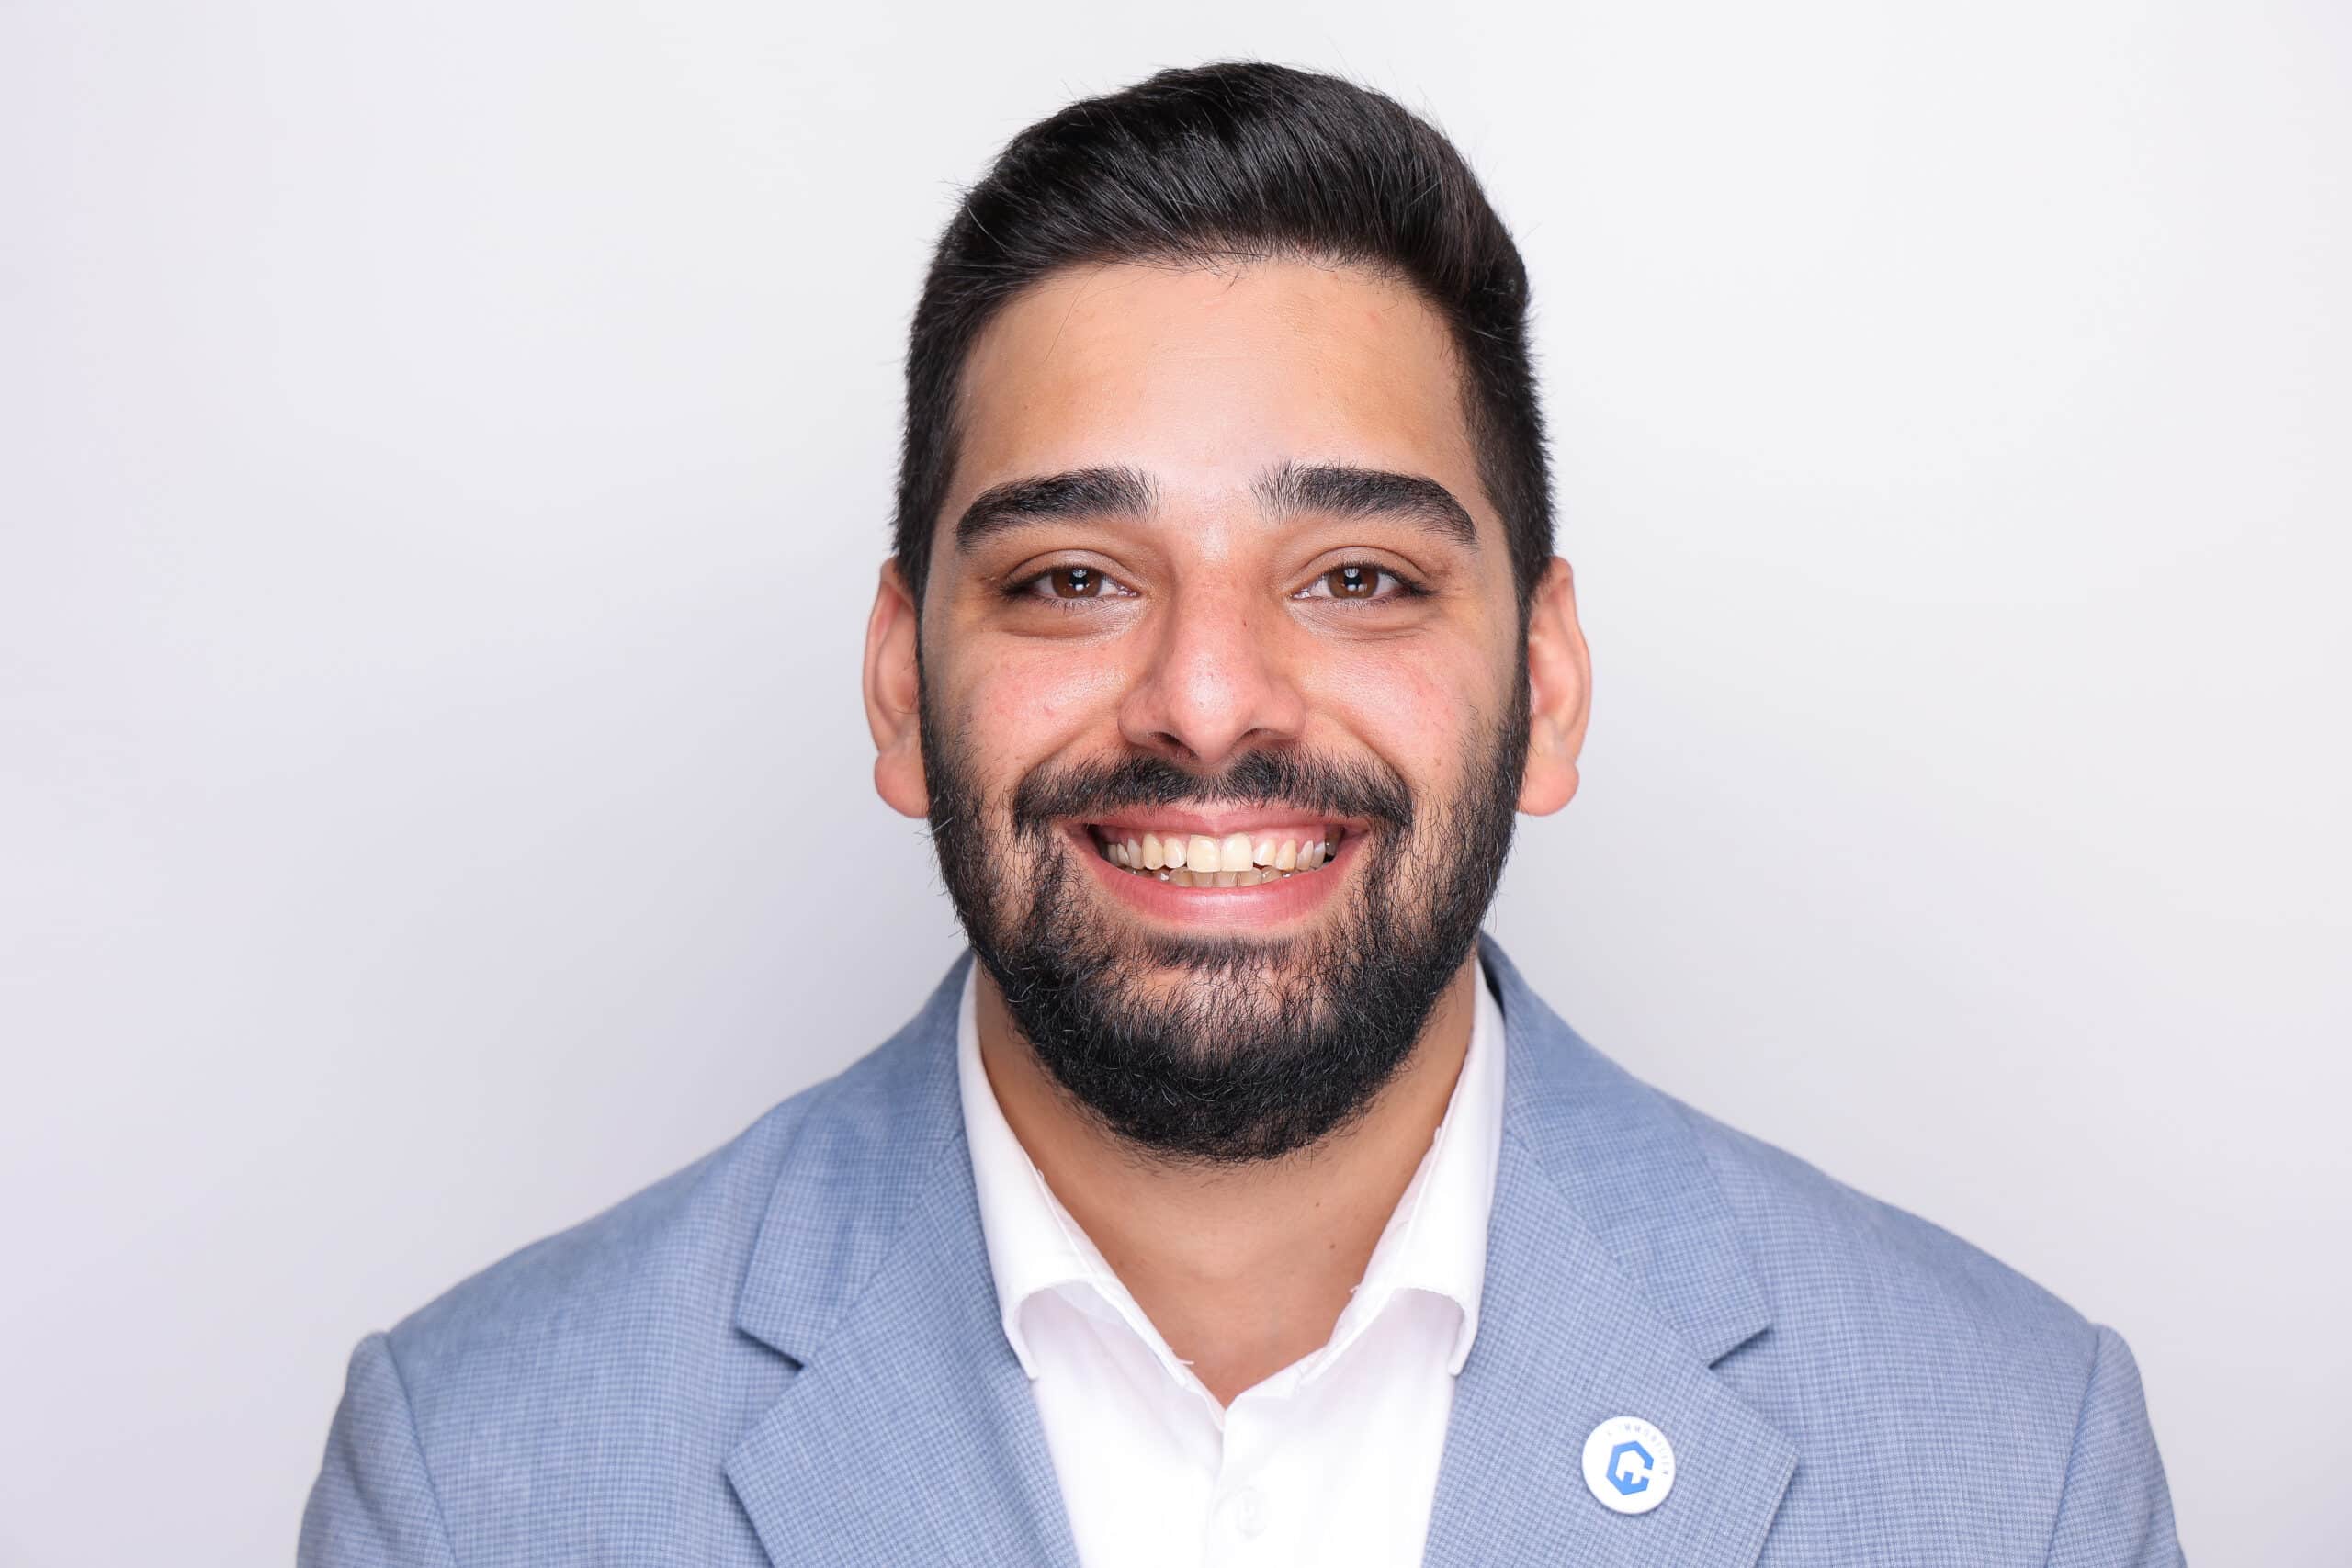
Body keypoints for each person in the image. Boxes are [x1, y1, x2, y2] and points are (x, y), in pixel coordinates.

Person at [300, 61, 2182, 1567]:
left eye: (1357, 576)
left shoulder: (2012, 1466)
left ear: (1546, 684)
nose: (1207, 699)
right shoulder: (478, 1478)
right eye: (1070, 578)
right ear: (898, 685)